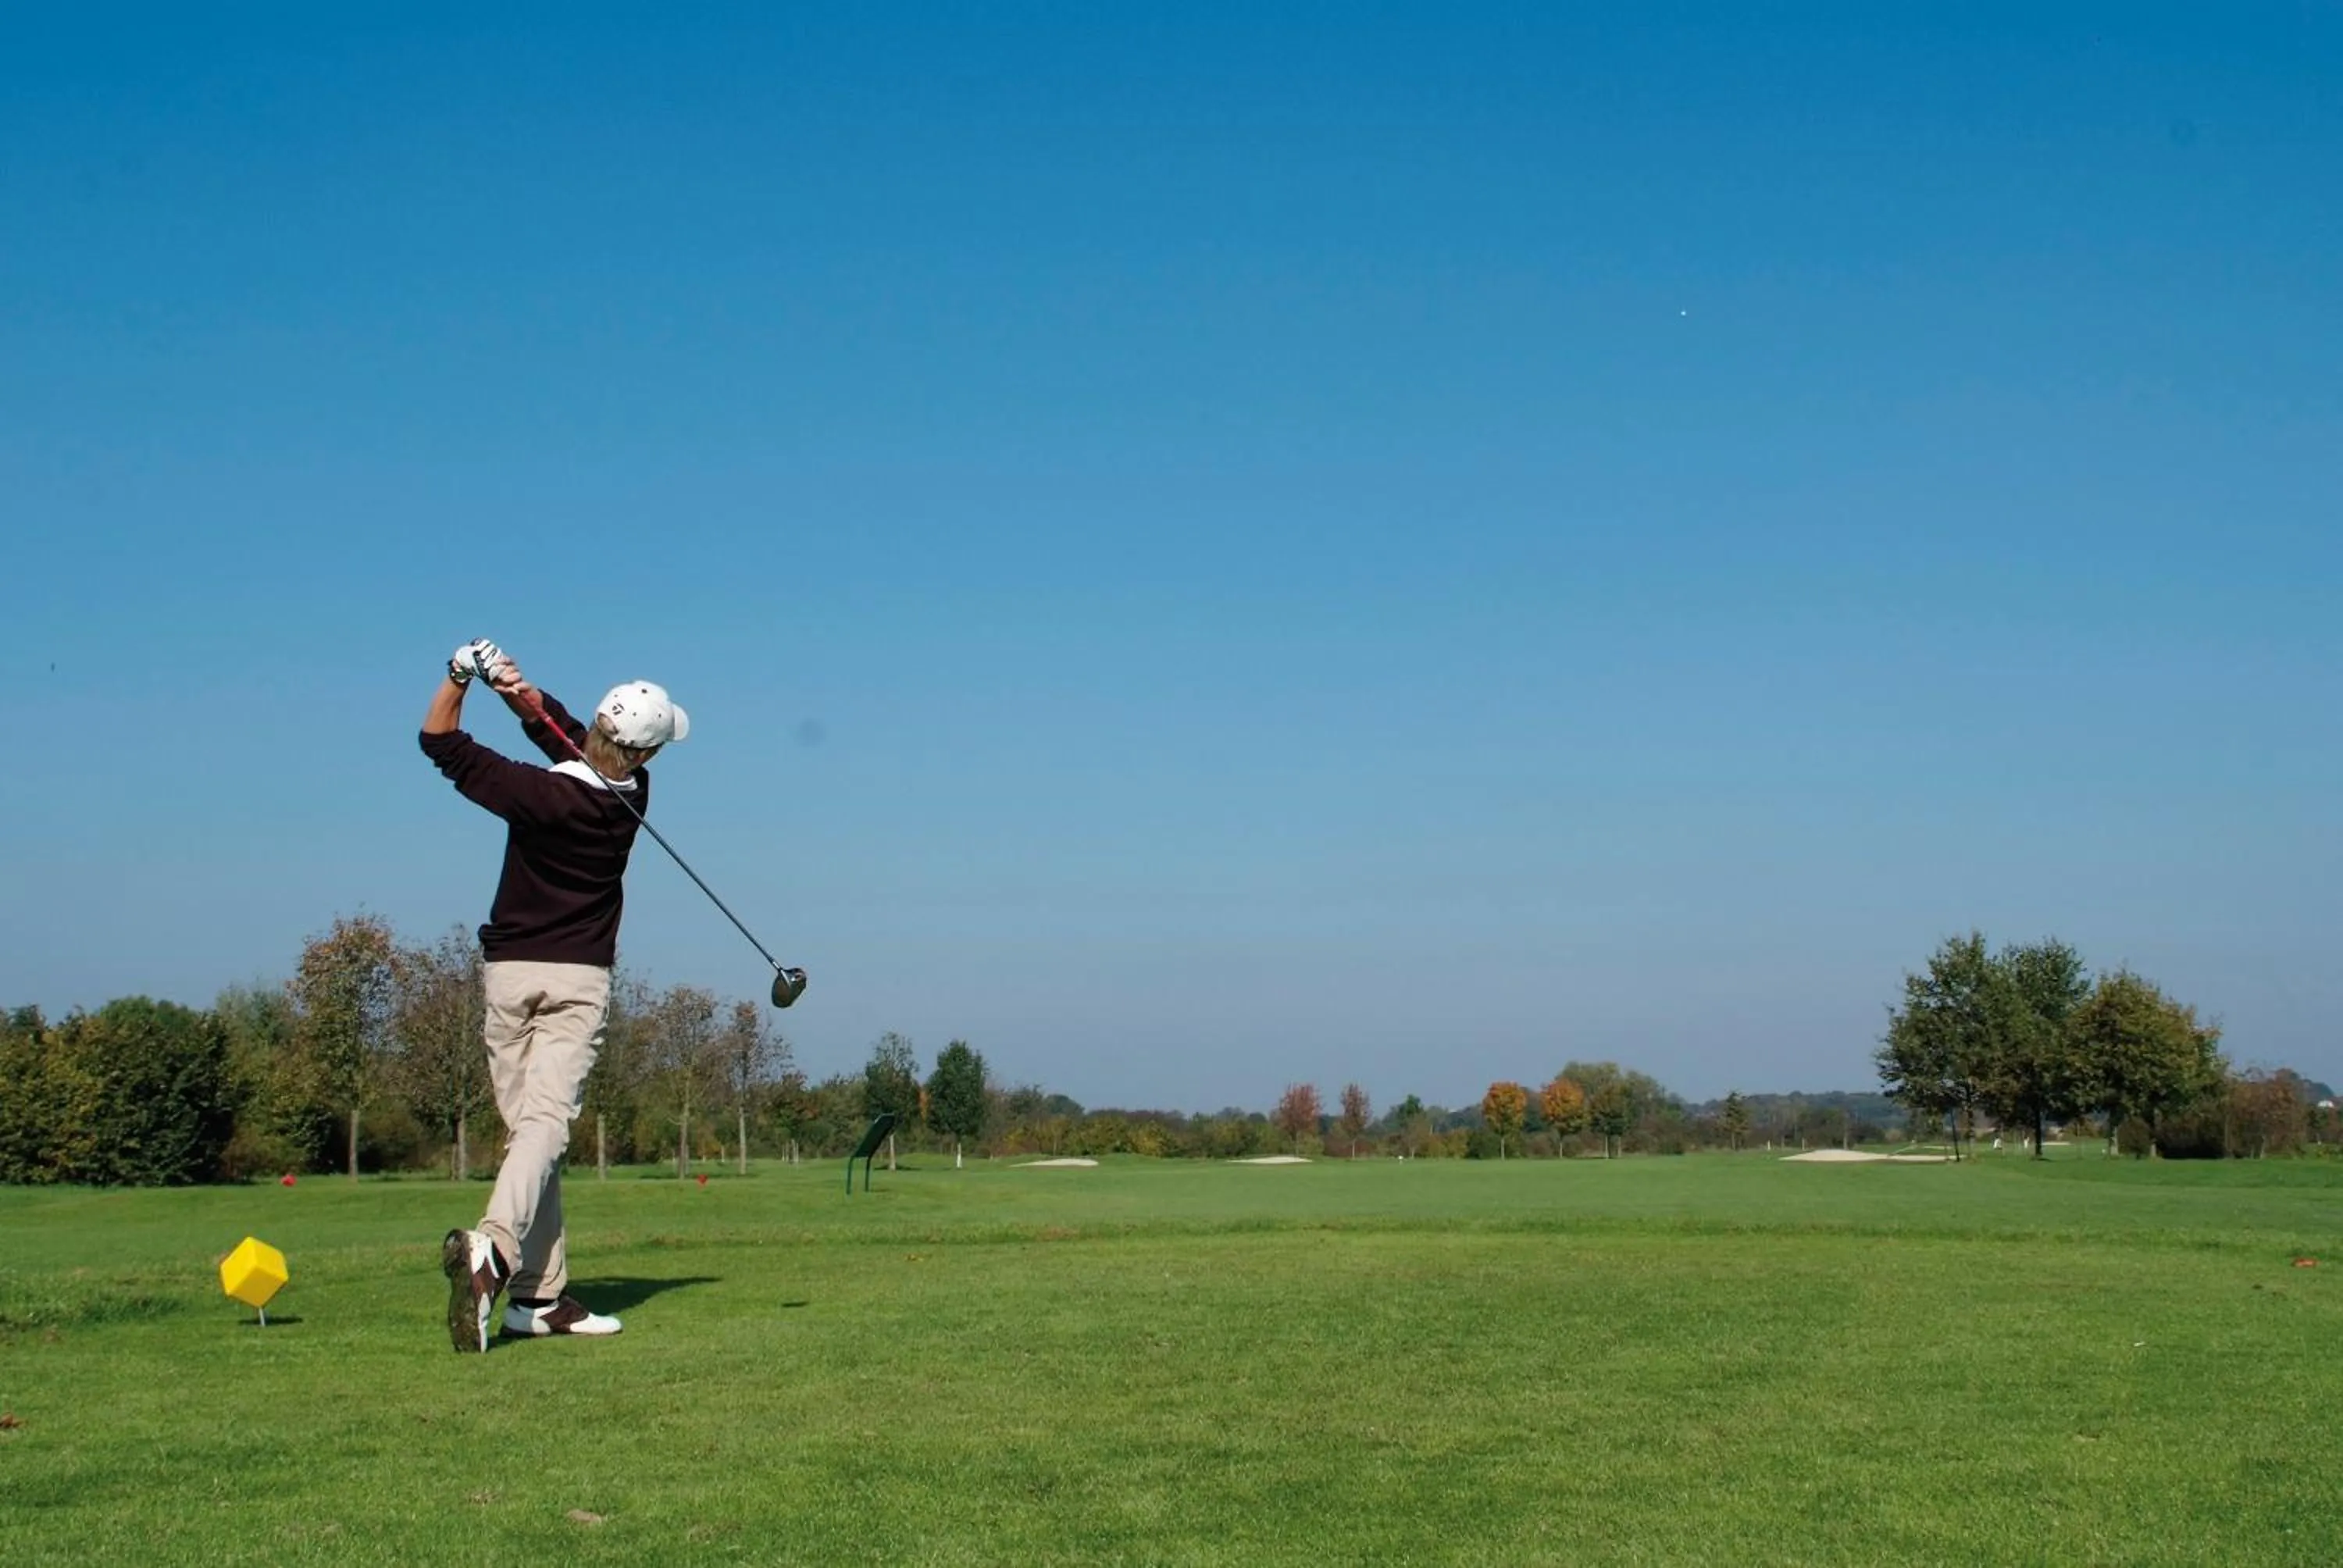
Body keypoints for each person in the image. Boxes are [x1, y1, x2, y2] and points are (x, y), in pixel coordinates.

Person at [419, 637, 690, 1352]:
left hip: (507, 975)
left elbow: (439, 740)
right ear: (646, 755)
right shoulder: (634, 794)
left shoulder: (538, 793)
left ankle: (537, 1297)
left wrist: (461, 676)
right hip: (576, 981)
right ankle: (500, 1258)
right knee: (542, 1133)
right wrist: (513, 686)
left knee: (531, 1138)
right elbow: (551, 724)